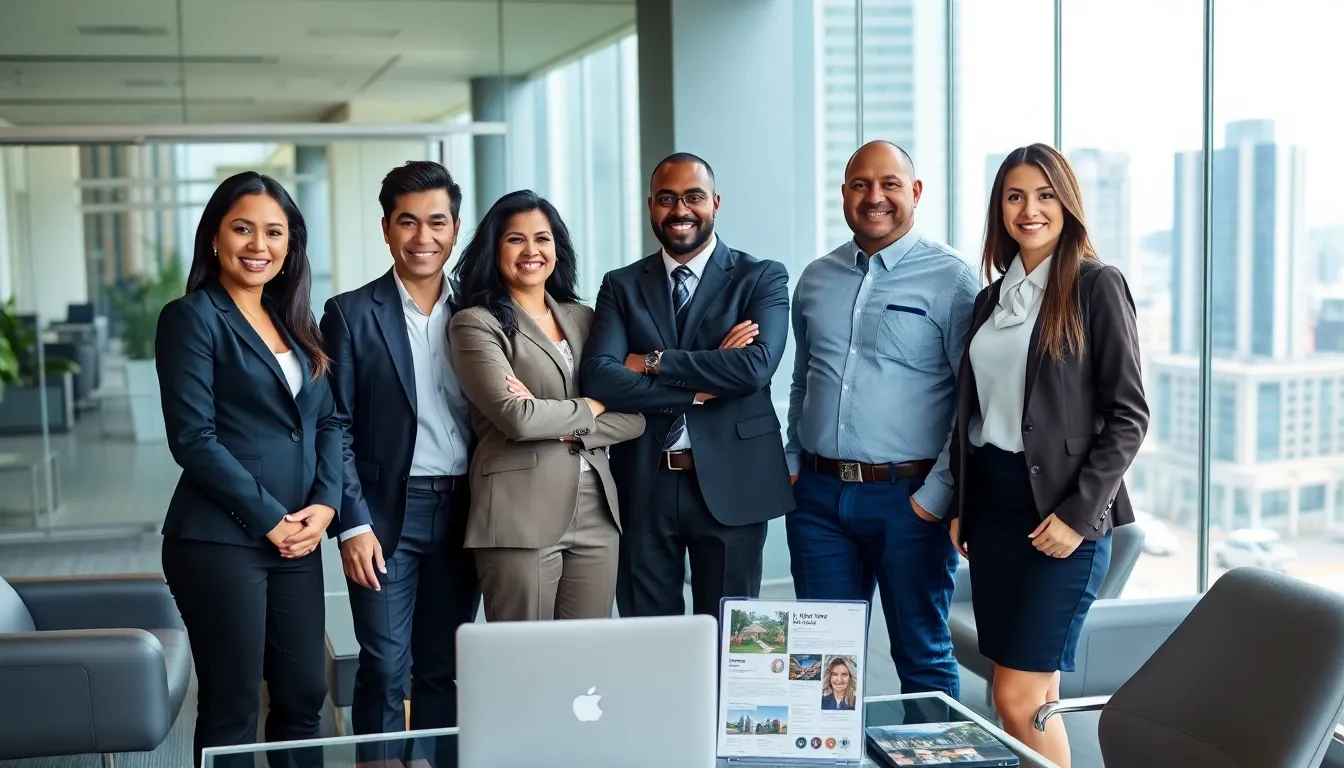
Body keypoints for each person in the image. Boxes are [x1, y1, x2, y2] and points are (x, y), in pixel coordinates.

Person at [948, 143, 1148, 766]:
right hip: (994, 508)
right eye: (1014, 196)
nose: (1029, 209)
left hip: (1061, 513)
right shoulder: (991, 300)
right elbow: (978, 417)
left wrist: (1078, 515)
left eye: (1044, 195)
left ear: (1067, 204)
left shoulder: (1095, 285)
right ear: (998, 210)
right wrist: (965, 505)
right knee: (1033, 693)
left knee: (1013, 695)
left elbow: (1129, 416)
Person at [156, 171, 339, 767]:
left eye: (274, 232)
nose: (258, 245)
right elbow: (194, 439)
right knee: (233, 704)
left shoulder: (294, 320)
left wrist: (326, 505)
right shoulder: (192, 318)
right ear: (214, 237)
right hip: (220, 540)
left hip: (298, 539)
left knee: (303, 694)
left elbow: (328, 422)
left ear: (290, 247)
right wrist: (270, 519)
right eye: (242, 229)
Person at [785, 141, 977, 699]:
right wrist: (793, 460)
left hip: (910, 500)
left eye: (890, 184)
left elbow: (973, 401)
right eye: (860, 185)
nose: (875, 197)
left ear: (914, 193)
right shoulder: (816, 279)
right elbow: (804, 379)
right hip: (818, 499)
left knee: (920, 653)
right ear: (844, 194)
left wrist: (938, 493)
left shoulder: (954, 280)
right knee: (824, 664)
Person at [580, 152, 793, 618]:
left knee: (731, 639)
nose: (681, 210)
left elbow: (755, 368)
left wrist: (650, 360)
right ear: (651, 206)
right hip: (644, 482)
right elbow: (599, 374)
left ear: (715, 202)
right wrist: (697, 384)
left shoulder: (761, 277)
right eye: (667, 198)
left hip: (734, 481)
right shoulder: (621, 285)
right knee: (648, 634)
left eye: (694, 197)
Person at [319, 161, 482, 747]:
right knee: (385, 663)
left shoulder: (484, 311)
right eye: (407, 223)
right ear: (386, 229)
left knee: (445, 666)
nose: (423, 238)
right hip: (388, 512)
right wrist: (352, 523)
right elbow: (332, 424)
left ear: (456, 228)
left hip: (469, 509)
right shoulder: (349, 313)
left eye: (436, 222)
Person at [448, 190, 645, 621]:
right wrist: (594, 404)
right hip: (520, 512)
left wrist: (554, 416)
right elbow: (517, 418)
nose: (531, 251)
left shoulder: (584, 317)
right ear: (493, 248)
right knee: (524, 659)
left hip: (597, 508)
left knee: (586, 663)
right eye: (516, 239)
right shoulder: (475, 323)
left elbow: (633, 416)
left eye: (543, 238)